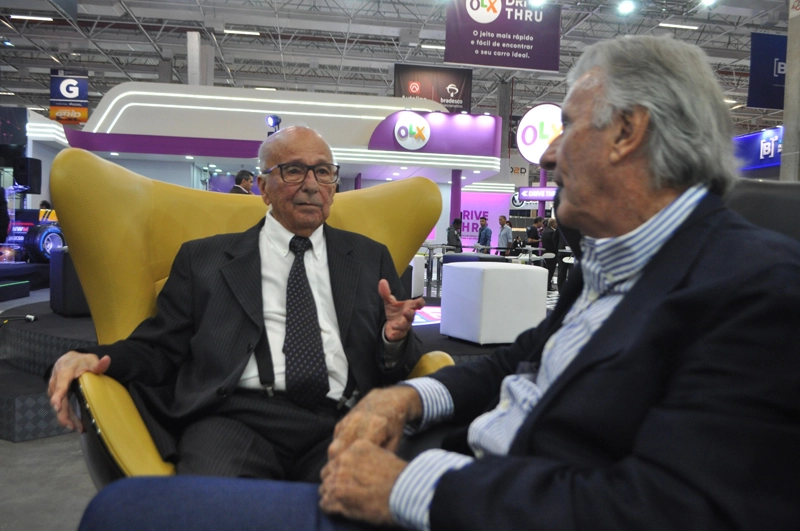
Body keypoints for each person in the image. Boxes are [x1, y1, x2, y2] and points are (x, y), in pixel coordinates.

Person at [77, 36, 800, 531]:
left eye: (568, 124)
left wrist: (399, 426)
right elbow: (514, 362)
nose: (545, 153)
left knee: (121, 515)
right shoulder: (608, 268)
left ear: (626, 133)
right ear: (262, 185)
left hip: (430, 479)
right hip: (255, 421)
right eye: (293, 171)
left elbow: (664, 510)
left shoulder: (754, 292)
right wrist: (408, 394)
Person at [48, 126, 424, 483]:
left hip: (345, 417)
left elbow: (401, 359)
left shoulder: (368, 257)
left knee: (369, 504)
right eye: (294, 170)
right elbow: (160, 348)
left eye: (323, 172)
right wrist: (87, 356)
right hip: (235, 419)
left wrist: (393, 338)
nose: (311, 185)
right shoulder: (205, 259)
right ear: (263, 186)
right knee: (214, 506)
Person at [540, 218, 558, 290]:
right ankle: (548, 286)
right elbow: (554, 243)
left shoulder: (544, 231)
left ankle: (546, 285)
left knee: (546, 269)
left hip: (545, 253)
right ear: (553, 224)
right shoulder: (552, 232)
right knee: (550, 270)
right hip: (552, 253)